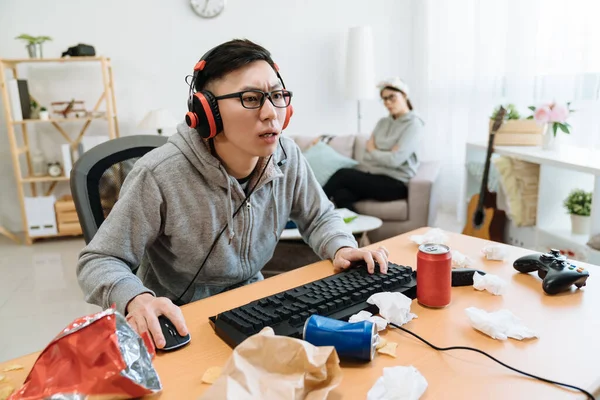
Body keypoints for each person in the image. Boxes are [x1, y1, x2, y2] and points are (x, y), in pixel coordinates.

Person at [76, 39, 390, 350]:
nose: (271, 113)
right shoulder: (159, 174)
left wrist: (341, 246)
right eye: (251, 98)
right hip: (178, 319)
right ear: (207, 112)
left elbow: (317, 215)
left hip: (256, 305)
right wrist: (135, 298)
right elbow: (100, 258)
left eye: (277, 96)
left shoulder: (287, 155)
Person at [323, 77, 424, 211]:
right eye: (384, 99)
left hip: (396, 183)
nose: (388, 102)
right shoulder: (382, 123)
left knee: (343, 174)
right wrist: (386, 153)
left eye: (392, 97)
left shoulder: (414, 125)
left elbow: (395, 160)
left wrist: (375, 150)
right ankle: (356, 232)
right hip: (373, 177)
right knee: (341, 194)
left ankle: (305, 211)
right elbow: (367, 154)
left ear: (404, 95)